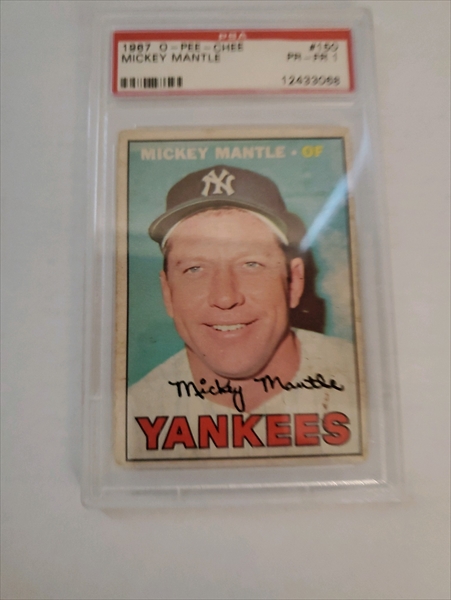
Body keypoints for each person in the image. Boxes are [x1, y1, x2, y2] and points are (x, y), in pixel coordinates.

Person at [127, 165, 359, 457]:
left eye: (251, 264)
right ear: (168, 293)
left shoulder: (365, 382)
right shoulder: (130, 418)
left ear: (294, 282)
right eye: (195, 268)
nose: (225, 297)